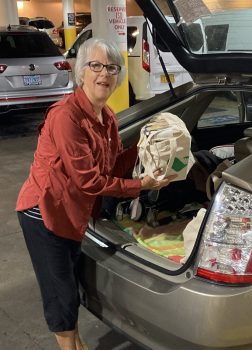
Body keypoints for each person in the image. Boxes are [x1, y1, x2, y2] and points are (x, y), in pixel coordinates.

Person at [16, 37, 175, 350]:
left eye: (112, 68)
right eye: (96, 65)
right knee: (59, 291)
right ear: (81, 72)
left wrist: (146, 145)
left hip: (73, 212)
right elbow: (88, 180)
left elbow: (114, 163)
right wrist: (141, 185)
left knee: (70, 286)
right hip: (44, 211)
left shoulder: (107, 116)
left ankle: (77, 344)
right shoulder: (66, 117)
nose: (105, 74)